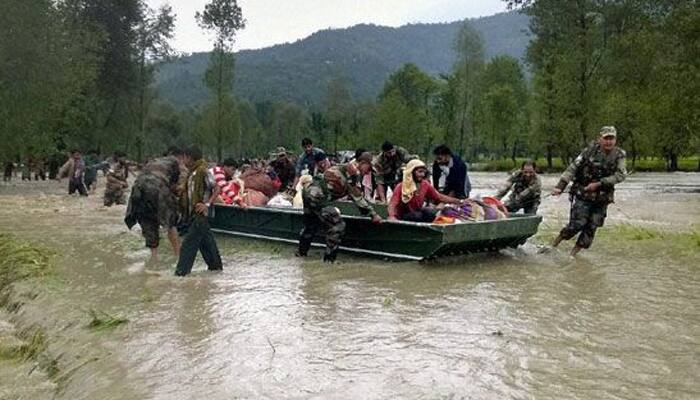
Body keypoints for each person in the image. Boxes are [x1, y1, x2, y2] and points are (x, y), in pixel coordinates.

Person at [551, 126, 627, 256]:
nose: (609, 142)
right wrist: (560, 186)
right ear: (600, 139)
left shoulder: (620, 154)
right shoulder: (588, 152)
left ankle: (572, 255)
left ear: (615, 140)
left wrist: (599, 183)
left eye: (611, 139)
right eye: (606, 138)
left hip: (602, 197)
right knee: (577, 224)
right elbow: (572, 169)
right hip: (583, 194)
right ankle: (553, 245)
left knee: (592, 227)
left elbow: (621, 175)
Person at [297, 152, 382, 263]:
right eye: (369, 168)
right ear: (363, 163)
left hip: (309, 192)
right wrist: (373, 214)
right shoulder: (353, 172)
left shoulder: (345, 167)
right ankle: (329, 261)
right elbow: (358, 198)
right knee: (337, 225)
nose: (368, 172)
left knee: (311, 224)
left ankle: (301, 254)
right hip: (318, 196)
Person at [124, 151, 182, 262]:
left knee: (147, 221)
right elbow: (174, 186)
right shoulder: (174, 162)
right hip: (157, 187)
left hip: (138, 188)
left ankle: (154, 258)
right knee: (170, 222)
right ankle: (178, 255)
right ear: (180, 156)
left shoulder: (153, 161)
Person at [175, 146, 223, 276]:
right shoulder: (191, 174)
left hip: (200, 215)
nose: (183, 160)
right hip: (193, 216)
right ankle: (216, 271)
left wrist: (207, 204)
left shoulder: (203, 171)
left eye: (184, 157)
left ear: (189, 158)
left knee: (187, 247)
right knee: (207, 246)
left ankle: (180, 276)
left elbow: (218, 188)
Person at [388, 159, 463, 222]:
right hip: (403, 215)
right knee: (417, 216)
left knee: (430, 212)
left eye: (424, 172)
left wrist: (459, 201)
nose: (423, 175)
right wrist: (391, 217)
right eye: (420, 172)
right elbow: (393, 204)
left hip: (417, 212)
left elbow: (439, 197)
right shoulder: (401, 186)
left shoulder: (425, 184)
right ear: (411, 172)